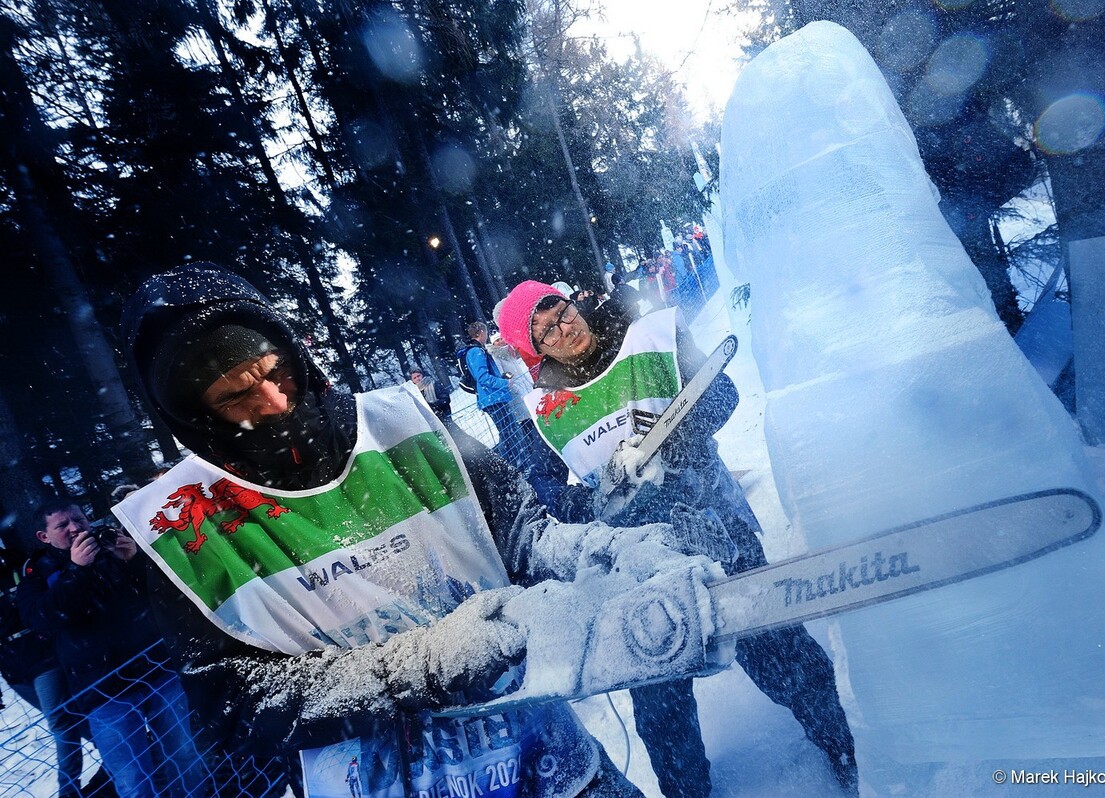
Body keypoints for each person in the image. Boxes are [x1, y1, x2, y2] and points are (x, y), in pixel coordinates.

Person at [113, 263, 724, 798]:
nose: (272, 399)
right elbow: (237, 704)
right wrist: (433, 662)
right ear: (193, 416)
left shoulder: (402, 424)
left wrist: (610, 549)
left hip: (547, 761)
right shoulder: (182, 525)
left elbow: (522, 534)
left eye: (274, 370)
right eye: (235, 396)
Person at [496, 281, 859, 798]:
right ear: (535, 349)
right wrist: (597, 500)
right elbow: (549, 493)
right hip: (638, 564)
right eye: (545, 330)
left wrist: (670, 446)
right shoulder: (543, 410)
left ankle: (842, 744)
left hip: (714, 526)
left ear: (572, 302)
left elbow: (723, 396)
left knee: (777, 651)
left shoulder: (649, 334)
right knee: (660, 702)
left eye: (561, 311)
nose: (563, 328)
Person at [18, 500, 208, 798]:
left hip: (155, 670)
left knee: (185, 756)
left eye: (78, 519)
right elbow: (42, 620)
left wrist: (135, 560)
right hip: (102, 689)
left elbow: (162, 593)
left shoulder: (109, 546)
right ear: (44, 536)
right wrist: (75, 570)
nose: (75, 528)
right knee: (132, 777)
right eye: (62, 525)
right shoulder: (37, 572)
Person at [1, 532, 88, 798]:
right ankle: (115, 751)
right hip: (13, 669)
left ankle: (69, 789)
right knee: (71, 719)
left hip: (41, 659)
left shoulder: (20, 567)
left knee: (60, 722)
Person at [457, 320, 534, 473]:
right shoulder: (476, 351)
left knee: (508, 431)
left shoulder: (475, 350)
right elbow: (483, 377)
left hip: (493, 398)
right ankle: (512, 465)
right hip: (493, 398)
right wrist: (504, 383)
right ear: (481, 333)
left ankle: (512, 465)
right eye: (485, 332)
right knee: (510, 432)